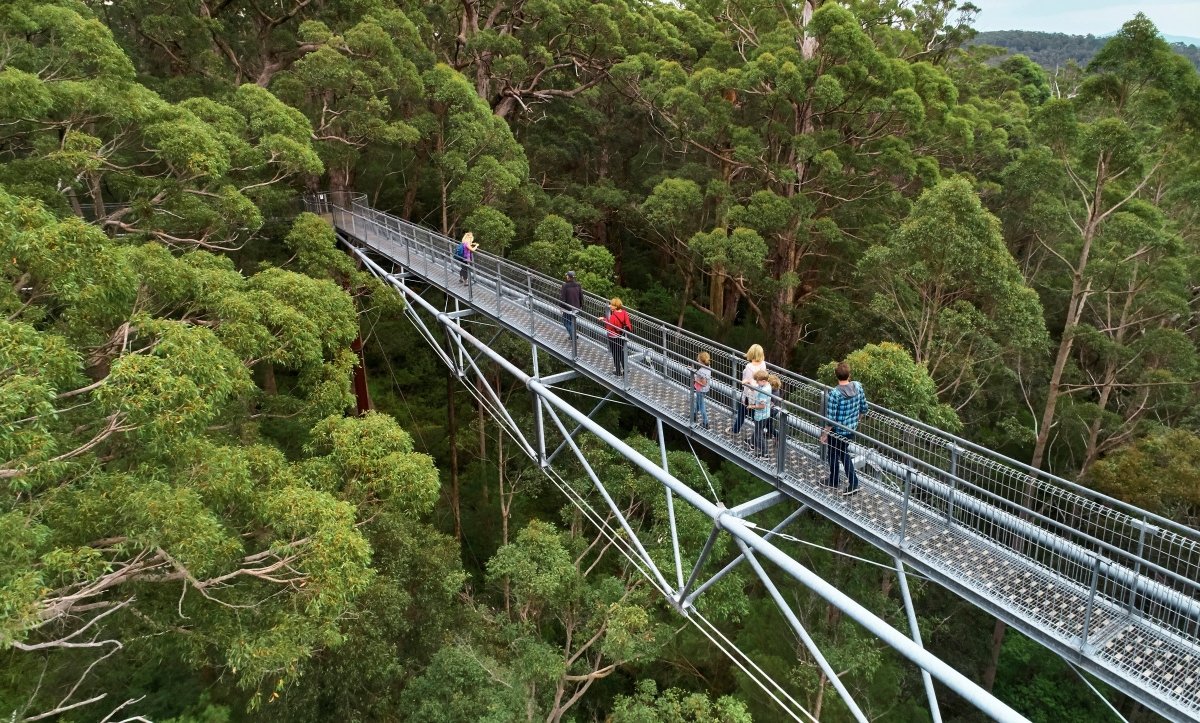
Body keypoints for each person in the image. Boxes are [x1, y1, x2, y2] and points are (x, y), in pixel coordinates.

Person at [821, 361, 868, 496]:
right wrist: (858, 419)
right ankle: (836, 480)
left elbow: (830, 419)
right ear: (849, 374)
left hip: (837, 431)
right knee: (840, 453)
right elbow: (864, 408)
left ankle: (851, 483)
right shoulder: (858, 386)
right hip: (851, 429)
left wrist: (824, 434)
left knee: (837, 454)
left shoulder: (834, 394)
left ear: (836, 376)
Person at [732, 344, 767, 437]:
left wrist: (745, 382)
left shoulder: (749, 366)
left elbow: (749, 384)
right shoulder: (763, 363)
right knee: (754, 416)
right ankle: (763, 432)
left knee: (742, 413)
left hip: (749, 395)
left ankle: (735, 430)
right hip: (759, 394)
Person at [599, 298, 633, 376]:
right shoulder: (624, 312)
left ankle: (618, 371)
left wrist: (603, 319)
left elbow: (609, 327)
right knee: (621, 352)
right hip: (622, 336)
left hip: (613, 337)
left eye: (612, 305)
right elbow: (628, 324)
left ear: (615, 306)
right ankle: (625, 369)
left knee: (615, 353)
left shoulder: (614, 316)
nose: (610, 306)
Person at [750, 369, 772, 458]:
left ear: (763, 381)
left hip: (761, 415)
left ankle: (765, 453)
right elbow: (758, 387)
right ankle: (752, 443)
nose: (757, 383)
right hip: (764, 414)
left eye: (758, 381)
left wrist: (752, 406)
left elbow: (762, 406)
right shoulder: (767, 385)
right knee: (757, 430)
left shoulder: (764, 391)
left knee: (759, 435)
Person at [559, 271, 583, 339]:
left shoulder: (565, 285)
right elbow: (581, 296)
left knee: (566, 322)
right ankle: (572, 335)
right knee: (572, 322)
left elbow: (562, 298)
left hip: (568, 308)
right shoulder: (578, 285)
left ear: (568, 277)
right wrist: (580, 305)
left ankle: (573, 336)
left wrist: (561, 307)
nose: (566, 277)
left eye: (567, 276)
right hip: (576, 308)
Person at [692, 351, 712, 429]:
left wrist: (694, 378)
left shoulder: (702, 371)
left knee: (701, 405)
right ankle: (693, 415)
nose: (697, 360)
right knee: (698, 402)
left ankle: (705, 423)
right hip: (705, 389)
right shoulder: (708, 366)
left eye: (698, 359)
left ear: (701, 361)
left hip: (700, 389)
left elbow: (703, 383)